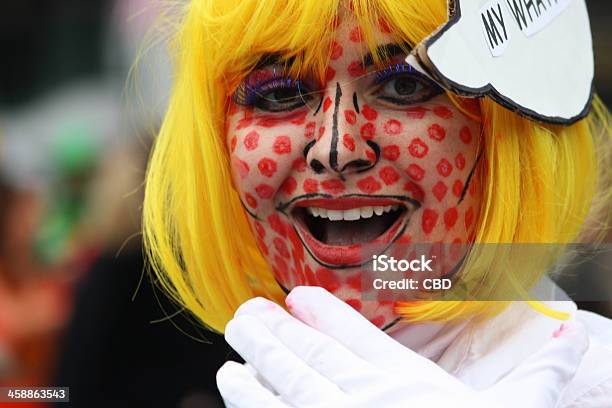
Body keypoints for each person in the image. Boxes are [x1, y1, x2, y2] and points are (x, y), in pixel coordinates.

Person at [142, 0, 612, 406]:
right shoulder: (256, 382)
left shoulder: (594, 384)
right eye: (280, 93)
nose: (337, 149)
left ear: (513, 131)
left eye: (404, 87)